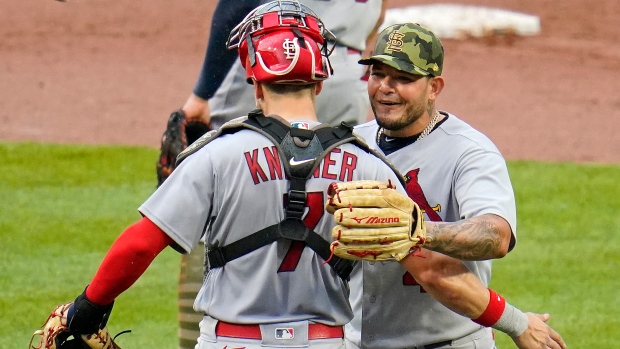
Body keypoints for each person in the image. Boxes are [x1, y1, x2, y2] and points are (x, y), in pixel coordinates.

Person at [48, 3, 409, 349]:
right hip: (325, 342)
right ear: (318, 84)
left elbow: (141, 244)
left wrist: (88, 306)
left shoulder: (216, 154)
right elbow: (417, 260)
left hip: (232, 342)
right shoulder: (367, 163)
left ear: (255, 83)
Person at [171, 1, 389, 347]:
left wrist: (201, 94)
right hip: (340, 64)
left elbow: (238, 5)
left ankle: (201, 336)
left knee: (223, 199)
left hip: (276, 57)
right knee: (336, 192)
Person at [347, 23, 567, 349]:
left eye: (404, 79)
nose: (385, 88)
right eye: (378, 74)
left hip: (449, 342)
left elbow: (496, 236)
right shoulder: (352, 145)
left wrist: (413, 231)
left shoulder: (468, 151)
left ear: (434, 87)